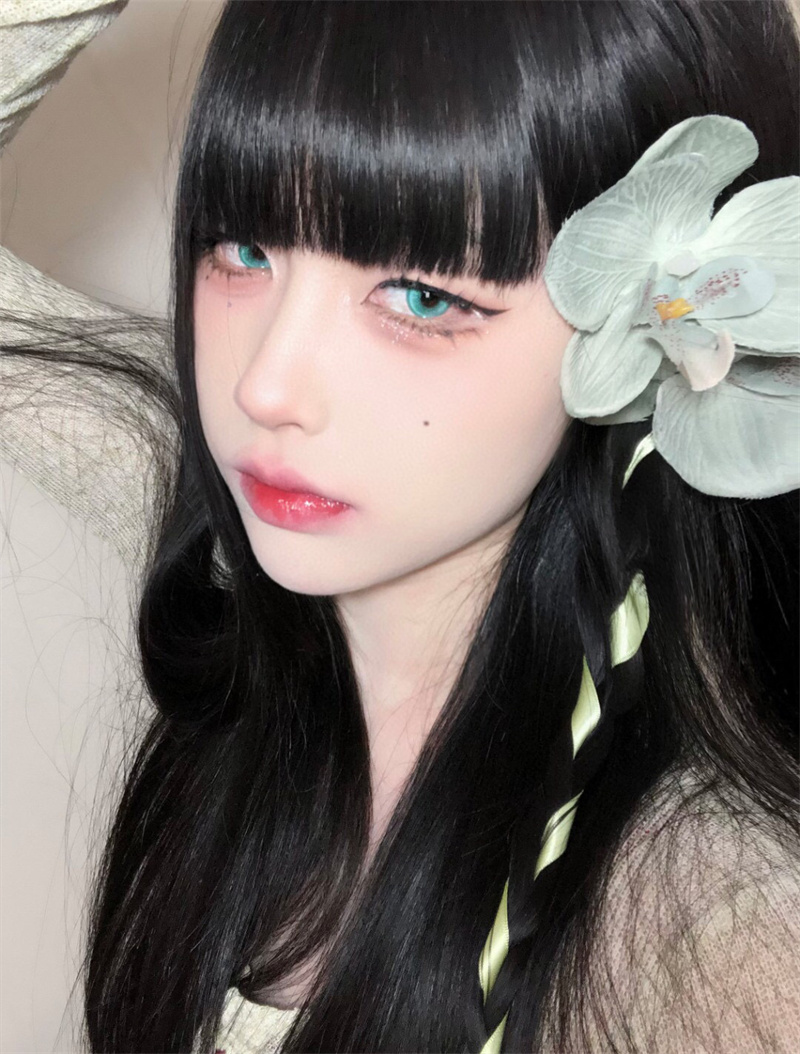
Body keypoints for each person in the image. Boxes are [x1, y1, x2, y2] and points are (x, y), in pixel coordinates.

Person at [1, 1, 798, 1052]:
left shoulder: (715, 930)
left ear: (646, 331)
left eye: (422, 298)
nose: (264, 385)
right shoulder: (213, 517)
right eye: (241, 249)